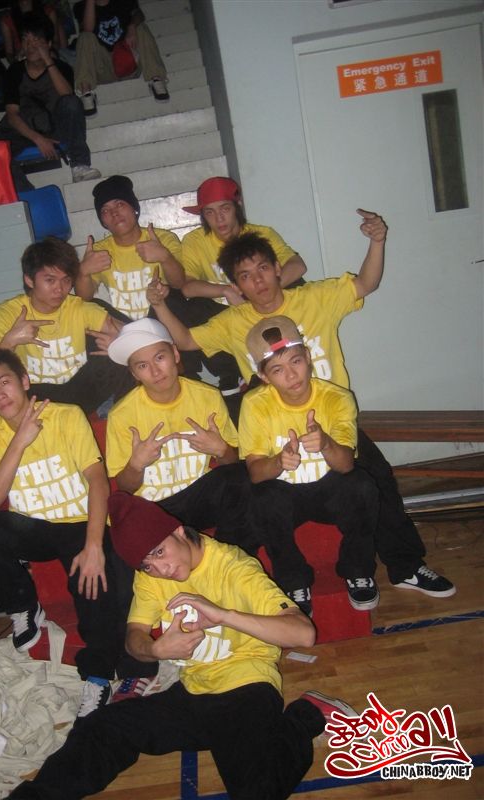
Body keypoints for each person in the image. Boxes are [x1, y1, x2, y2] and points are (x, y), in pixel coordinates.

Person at [147, 213, 456, 598]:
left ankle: (405, 565)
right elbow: (187, 342)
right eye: (246, 276)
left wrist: (377, 240)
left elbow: (366, 283)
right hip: (274, 431)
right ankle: (268, 582)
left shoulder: (315, 298)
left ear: (279, 269)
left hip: (333, 422)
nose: (258, 281)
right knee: (257, 498)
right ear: (236, 285)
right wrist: (160, 306)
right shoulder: (233, 321)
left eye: (263, 268)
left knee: (378, 481)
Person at [2, 491, 356, 800]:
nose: (161, 568)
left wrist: (223, 615)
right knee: (102, 726)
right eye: (147, 564)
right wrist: (155, 650)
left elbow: (303, 634)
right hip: (193, 691)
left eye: (160, 552)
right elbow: (135, 637)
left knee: (255, 792)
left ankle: (306, 714)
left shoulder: (234, 567)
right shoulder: (151, 576)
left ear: (178, 530)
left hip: (246, 687)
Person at [0, 346, 156, 718]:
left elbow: (98, 481)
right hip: (32, 528)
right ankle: (23, 608)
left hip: (80, 524)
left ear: (24, 381)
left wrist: (94, 544)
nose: (0, 394)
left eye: (5, 382)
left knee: (97, 582)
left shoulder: (66, 416)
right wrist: (19, 440)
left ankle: (98, 676)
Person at [239, 315, 379, 616]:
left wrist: (326, 443)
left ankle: (358, 570)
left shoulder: (337, 398)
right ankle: (293, 581)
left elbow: (346, 466)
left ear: (308, 356)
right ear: (264, 376)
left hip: (329, 487)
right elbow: (255, 473)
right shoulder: (255, 404)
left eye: (296, 361)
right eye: (278, 369)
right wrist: (279, 461)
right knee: (260, 499)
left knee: (362, 485)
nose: (291, 375)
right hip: (285, 494)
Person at [105, 317, 251, 542]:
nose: (155, 371)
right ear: (134, 374)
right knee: (120, 524)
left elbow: (231, 465)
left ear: (175, 354)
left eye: (159, 358)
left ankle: (224, 551)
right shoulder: (121, 414)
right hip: (154, 507)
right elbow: (124, 488)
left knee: (242, 477)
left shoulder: (207, 397)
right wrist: (136, 464)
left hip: (198, 495)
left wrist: (221, 450)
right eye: (142, 366)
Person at [180, 176, 308, 420]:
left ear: (236, 207)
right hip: (225, 314)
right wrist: (225, 291)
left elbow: (298, 266)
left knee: (297, 286)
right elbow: (187, 287)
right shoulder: (195, 241)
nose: (219, 219)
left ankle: (293, 352)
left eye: (225, 209)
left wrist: (259, 294)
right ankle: (228, 372)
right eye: (210, 212)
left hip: (265, 310)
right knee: (178, 301)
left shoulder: (261, 234)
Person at [0, 236, 133, 415]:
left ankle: (114, 412)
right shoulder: (5, 314)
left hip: (79, 393)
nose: (59, 289)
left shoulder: (79, 308)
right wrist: (10, 341)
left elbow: (142, 337)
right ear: (29, 280)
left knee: (127, 351)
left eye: (66, 280)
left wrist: (120, 346)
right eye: (50, 280)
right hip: (35, 397)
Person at [76, 174, 203, 376]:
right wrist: (83, 271)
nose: (114, 213)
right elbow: (84, 297)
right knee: (90, 310)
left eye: (120, 205)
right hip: (123, 326)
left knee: (173, 296)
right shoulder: (100, 251)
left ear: (134, 208)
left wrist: (164, 257)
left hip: (160, 318)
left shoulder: (163, 239)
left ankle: (185, 371)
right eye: (105, 211)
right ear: (103, 221)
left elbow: (180, 283)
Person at [0, 12, 100, 190]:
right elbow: (12, 115)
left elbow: (67, 96)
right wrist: (38, 139)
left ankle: (80, 165)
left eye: (36, 40)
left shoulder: (62, 68)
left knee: (72, 102)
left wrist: (49, 61)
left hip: (54, 127)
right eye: (26, 40)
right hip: (24, 131)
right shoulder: (14, 71)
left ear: (48, 43)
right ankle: (26, 195)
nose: (30, 46)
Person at [73, 0, 168, 116]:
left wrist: (132, 26)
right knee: (85, 37)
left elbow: (139, 14)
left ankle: (156, 79)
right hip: (102, 68)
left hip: (128, 59)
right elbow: (87, 29)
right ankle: (86, 92)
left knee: (140, 27)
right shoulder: (81, 7)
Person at [1, 0, 67, 64]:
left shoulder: (48, 11)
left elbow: (56, 43)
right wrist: (17, 60)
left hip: (47, 54)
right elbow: (9, 53)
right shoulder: (7, 19)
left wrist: (45, 51)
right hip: (24, 58)